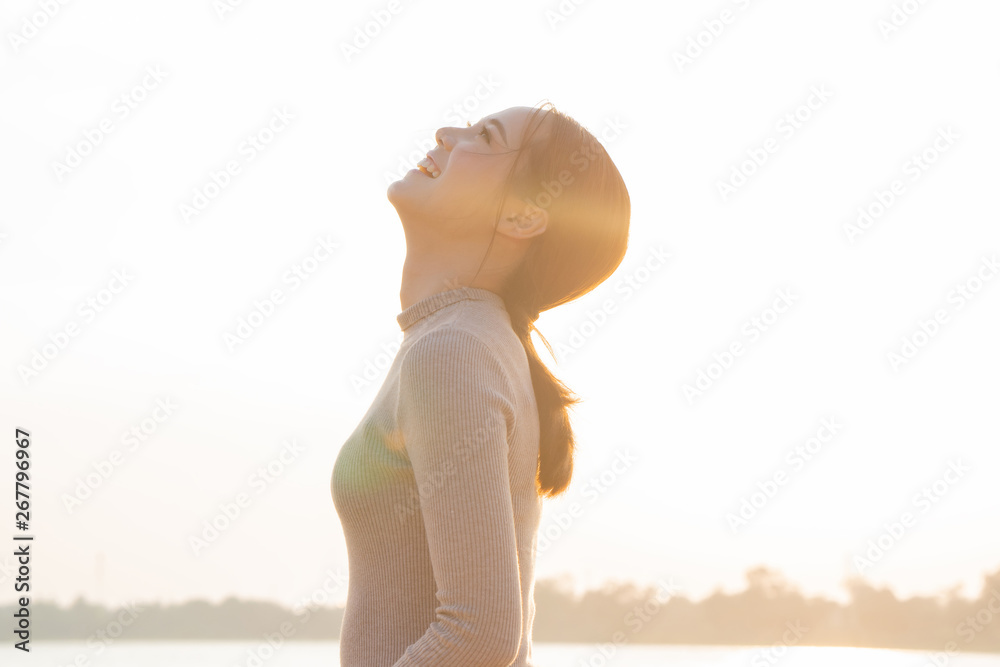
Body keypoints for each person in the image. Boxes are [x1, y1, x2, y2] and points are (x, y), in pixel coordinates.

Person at [331, 102, 630, 666]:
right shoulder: (464, 340)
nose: (446, 132)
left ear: (523, 216)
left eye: (485, 137)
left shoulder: (454, 350)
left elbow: (481, 635)